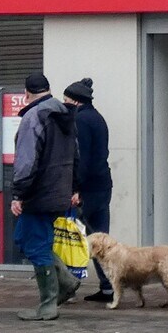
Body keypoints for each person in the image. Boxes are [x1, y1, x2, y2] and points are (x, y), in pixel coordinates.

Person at [9, 72, 78, 321]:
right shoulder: (65, 115)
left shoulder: (34, 117)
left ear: (26, 94)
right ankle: (67, 282)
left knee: (35, 244)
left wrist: (19, 194)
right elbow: (76, 156)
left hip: (38, 193)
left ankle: (48, 304)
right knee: (26, 238)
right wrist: (72, 188)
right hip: (59, 191)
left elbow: (26, 162)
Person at [62, 77, 112, 301]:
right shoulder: (98, 118)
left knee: (73, 238)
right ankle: (109, 287)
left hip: (87, 190)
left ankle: (68, 288)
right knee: (100, 240)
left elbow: (83, 159)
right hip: (103, 186)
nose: (63, 104)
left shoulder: (81, 121)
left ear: (75, 101)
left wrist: (76, 189)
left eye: (65, 100)